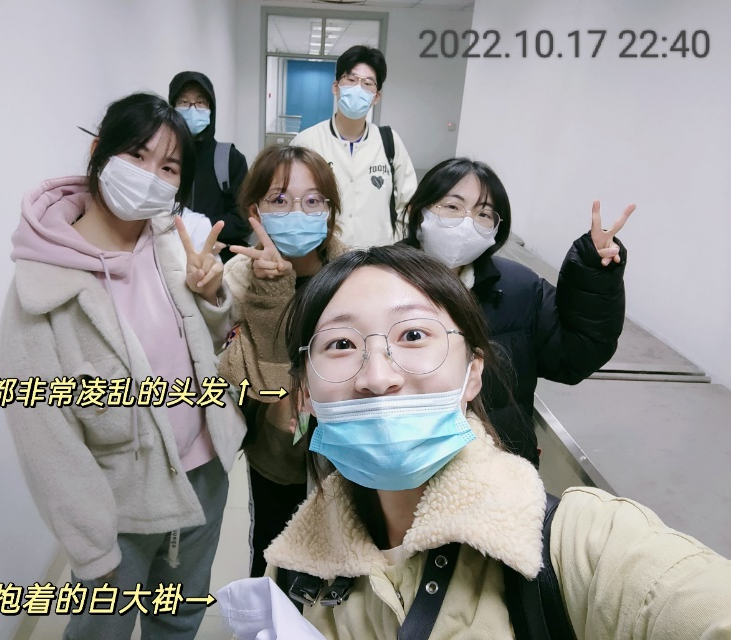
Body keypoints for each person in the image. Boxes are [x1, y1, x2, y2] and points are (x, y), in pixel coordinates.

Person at [257, 244, 731, 639]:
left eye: (414, 334)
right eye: (341, 344)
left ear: (473, 373)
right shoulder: (295, 571)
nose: (378, 376)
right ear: (305, 393)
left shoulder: (575, 544)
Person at [0, 92, 246, 640]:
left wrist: (212, 296)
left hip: (205, 471)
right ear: (98, 152)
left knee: (180, 617)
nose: (149, 176)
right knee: (101, 631)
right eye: (136, 155)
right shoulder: (43, 287)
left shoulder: (171, 243)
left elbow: (206, 345)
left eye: (169, 167)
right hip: (121, 504)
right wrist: (91, 546)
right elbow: (44, 437)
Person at [400, 158, 635, 464]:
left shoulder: (519, 288)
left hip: (502, 470)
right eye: (452, 206)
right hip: (402, 468)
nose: (467, 223)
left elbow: (574, 358)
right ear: (418, 213)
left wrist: (593, 272)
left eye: (483, 214)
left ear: (496, 229)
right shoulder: (377, 283)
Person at [217, 144, 348, 578]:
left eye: (312, 200)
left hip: (343, 454)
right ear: (255, 209)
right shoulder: (236, 281)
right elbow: (240, 377)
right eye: (280, 199)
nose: (297, 212)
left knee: (336, 557)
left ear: (328, 210)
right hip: (275, 455)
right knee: (273, 552)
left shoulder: (351, 273)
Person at [290, 45, 417, 249]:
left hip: (379, 257)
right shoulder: (306, 142)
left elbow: (408, 203)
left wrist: (395, 246)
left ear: (376, 97)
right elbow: (291, 201)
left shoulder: (389, 141)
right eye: (351, 80)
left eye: (367, 83)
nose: (358, 88)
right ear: (336, 87)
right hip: (322, 256)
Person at [169, 71, 251, 262]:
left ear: (211, 109)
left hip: (219, 260)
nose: (192, 109)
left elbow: (243, 220)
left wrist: (199, 231)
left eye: (201, 102)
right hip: (167, 258)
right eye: (183, 102)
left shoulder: (230, 159)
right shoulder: (161, 157)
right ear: (171, 108)